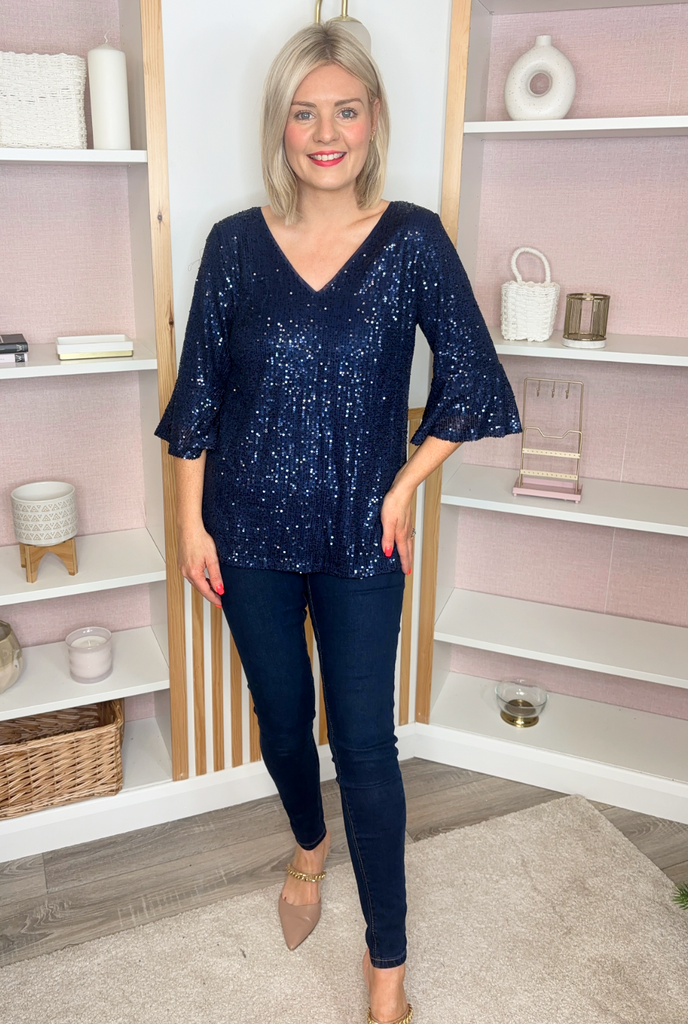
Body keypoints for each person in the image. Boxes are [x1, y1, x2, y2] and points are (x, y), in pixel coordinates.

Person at [156, 21, 521, 1024]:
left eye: (344, 110)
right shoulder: (233, 245)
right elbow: (198, 398)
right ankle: (308, 844)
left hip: (365, 537)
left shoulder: (412, 239)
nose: (325, 133)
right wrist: (190, 526)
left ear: (372, 119)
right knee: (281, 719)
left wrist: (405, 485)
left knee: (363, 743)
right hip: (244, 534)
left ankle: (386, 967)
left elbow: (473, 376)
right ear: (280, 128)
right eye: (304, 113)